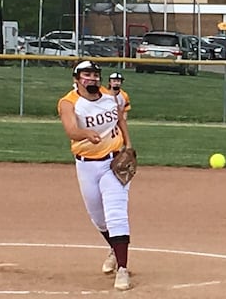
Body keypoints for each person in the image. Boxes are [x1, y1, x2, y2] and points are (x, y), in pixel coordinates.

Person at [57, 61, 134, 291]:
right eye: (86, 74)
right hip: (86, 166)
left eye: (95, 74)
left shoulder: (110, 97)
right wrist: (84, 133)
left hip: (113, 163)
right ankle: (114, 248)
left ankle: (122, 269)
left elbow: (121, 119)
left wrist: (128, 145)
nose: (92, 78)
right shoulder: (69, 103)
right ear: (77, 78)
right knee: (98, 217)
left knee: (116, 213)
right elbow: (71, 130)